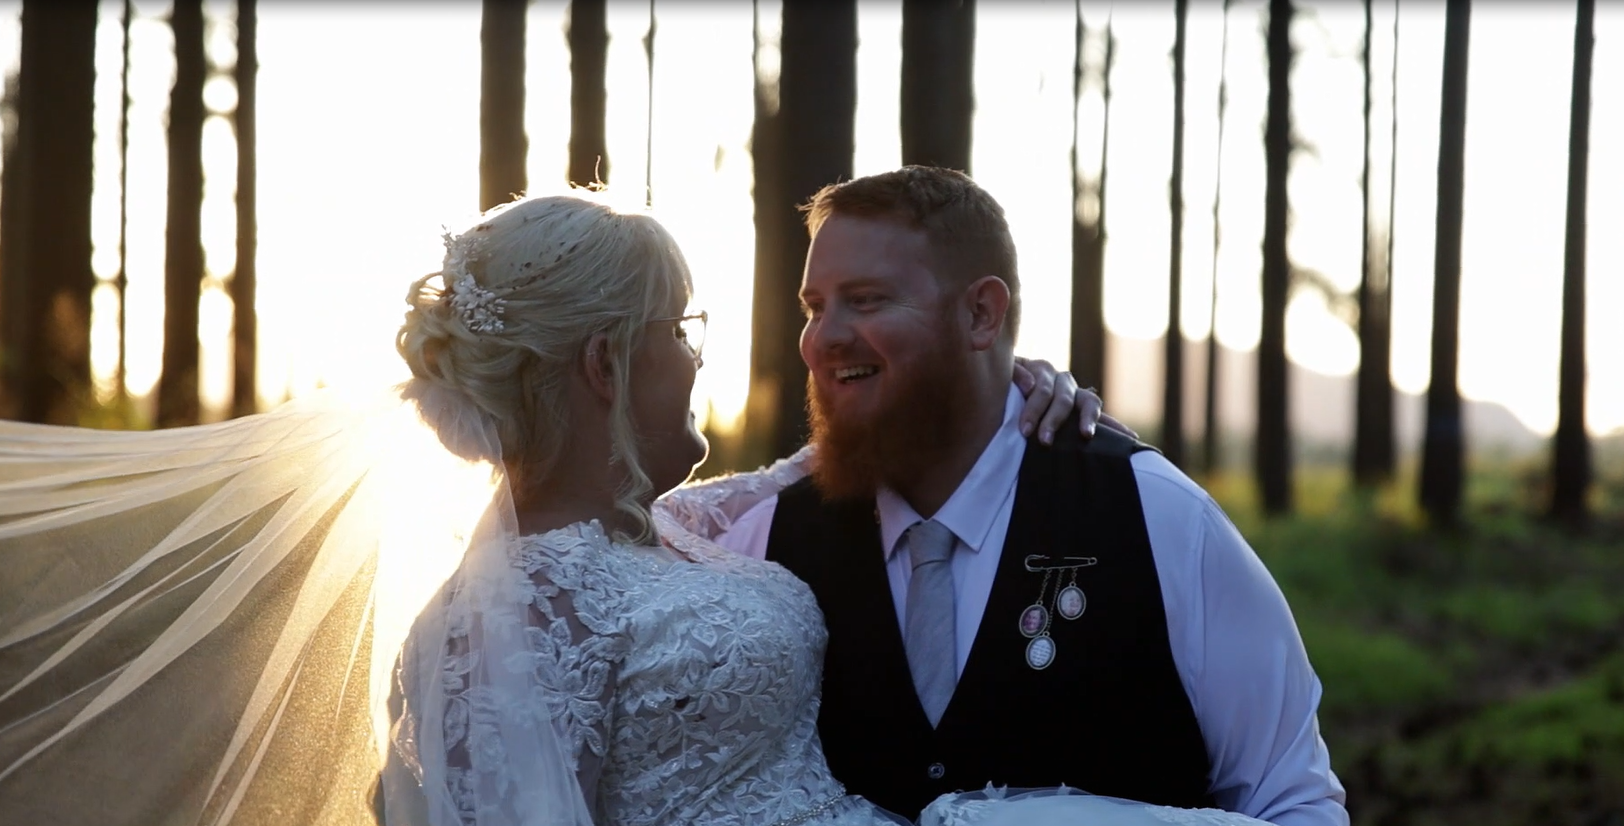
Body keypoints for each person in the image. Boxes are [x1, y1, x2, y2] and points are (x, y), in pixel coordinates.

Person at [0, 191, 1182, 826]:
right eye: (681, 333)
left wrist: (1015, 388)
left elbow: (815, 475)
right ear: (607, 369)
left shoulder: (682, 529)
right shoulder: (488, 624)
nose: (698, 362)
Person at [714, 167, 1350, 826]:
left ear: (981, 313)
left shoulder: (1159, 519)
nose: (822, 339)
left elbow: (1297, 807)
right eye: (814, 307)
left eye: (866, 299)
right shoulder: (761, 541)